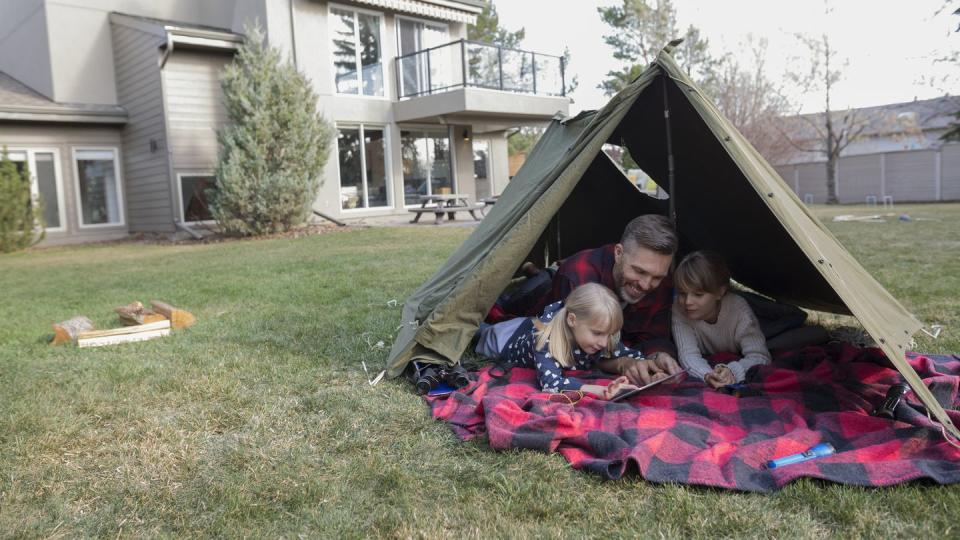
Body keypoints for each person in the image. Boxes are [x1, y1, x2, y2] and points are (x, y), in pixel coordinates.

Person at [539, 214, 683, 385]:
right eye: (639, 271)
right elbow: (574, 352)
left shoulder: (662, 284)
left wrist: (658, 356)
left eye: (657, 277)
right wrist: (622, 364)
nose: (646, 285)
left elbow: (654, 338)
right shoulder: (577, 276)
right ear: (618, 253)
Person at [475, 283, 648, 399]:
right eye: (597, 333)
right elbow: (550, 384)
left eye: (609, 334)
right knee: (476, 332)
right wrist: (597, 390)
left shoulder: (600, 337)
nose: (603, 343)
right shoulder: (546, 342)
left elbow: (628, 354)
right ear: (572, 320)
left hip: (531, 324)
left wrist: (649, 368)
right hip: (505, 340)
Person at [671, 251, 771, 389]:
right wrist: (707, 375)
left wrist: (733, 371)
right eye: (682, 293)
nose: (687, 301)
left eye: (698, 294)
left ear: (720, 292)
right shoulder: (679, 308)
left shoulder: (738, 310)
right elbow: (688, 355)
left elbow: (760, 356)